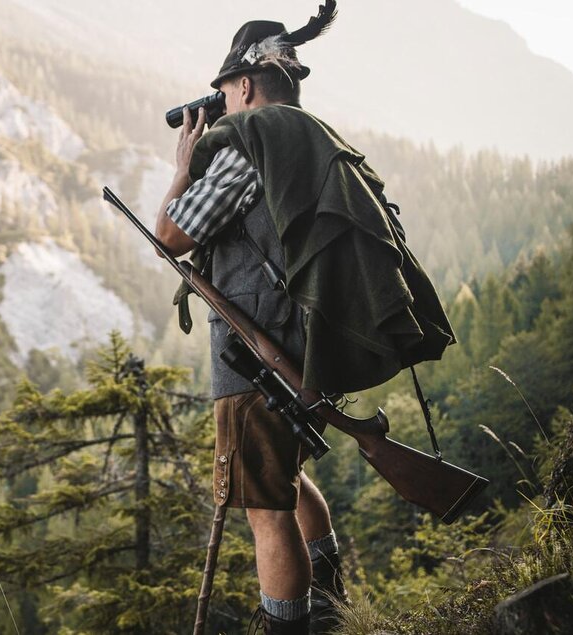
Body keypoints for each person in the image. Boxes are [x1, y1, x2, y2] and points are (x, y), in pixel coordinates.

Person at [155, 6, 354, 635]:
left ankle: (291, 626)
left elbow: (170, 236)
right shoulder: (309, 137)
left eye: (223, 93)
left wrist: (184, 166)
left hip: (255, 351)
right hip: (307, 343)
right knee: (286, 482)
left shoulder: (246, 148)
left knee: (263, 508)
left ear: (243, 84)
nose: (219, 105)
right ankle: (330, 602)